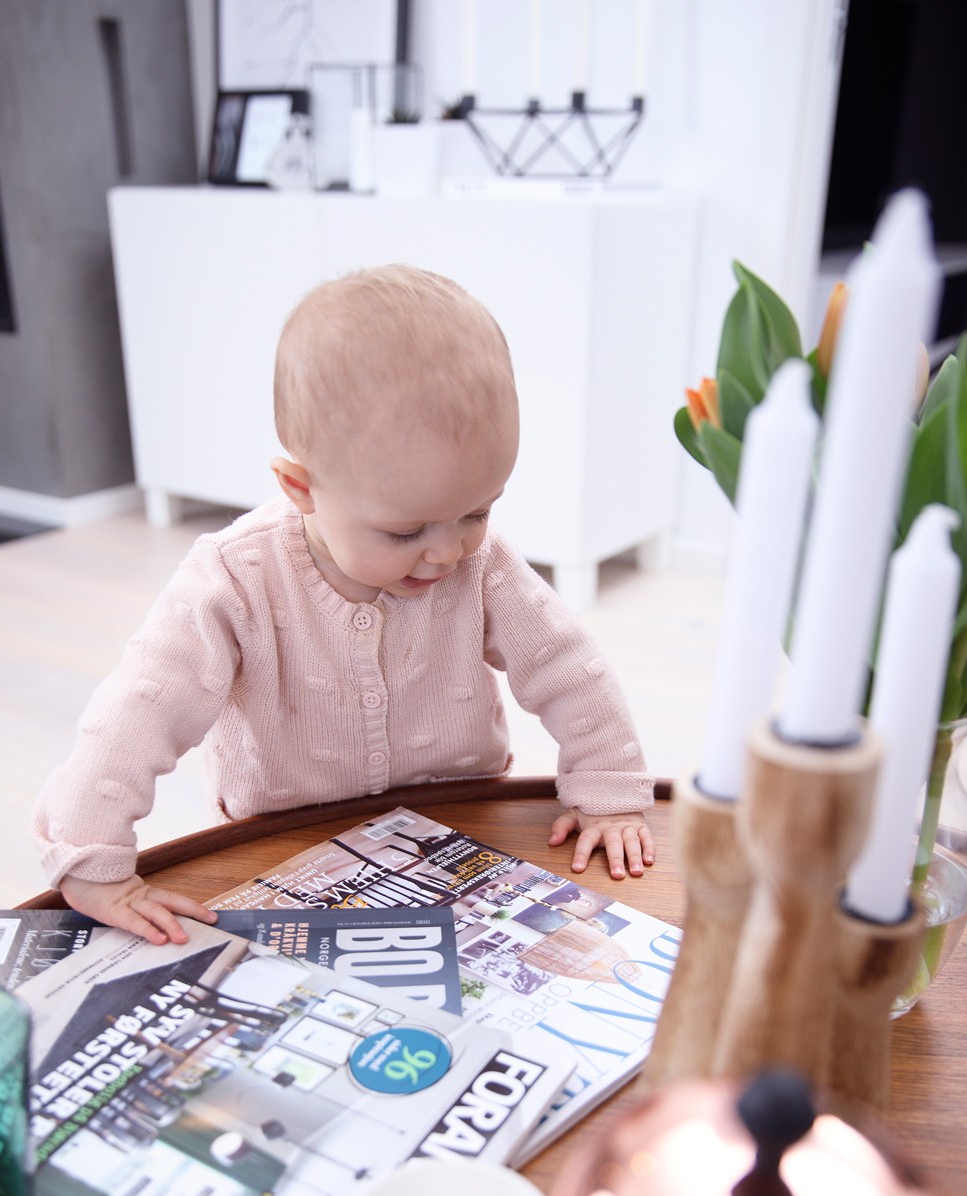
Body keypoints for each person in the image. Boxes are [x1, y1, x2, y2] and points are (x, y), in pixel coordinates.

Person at [32, 264, 655, 945]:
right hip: (283, 840)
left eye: (476, 511)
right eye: (406, 531)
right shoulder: (233, 579)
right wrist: (90, 859)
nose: (448, 552)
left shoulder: (482, 561)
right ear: (301, 487)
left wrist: (610, 789)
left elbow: (568, 667)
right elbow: (137, 712)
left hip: (458, 824)